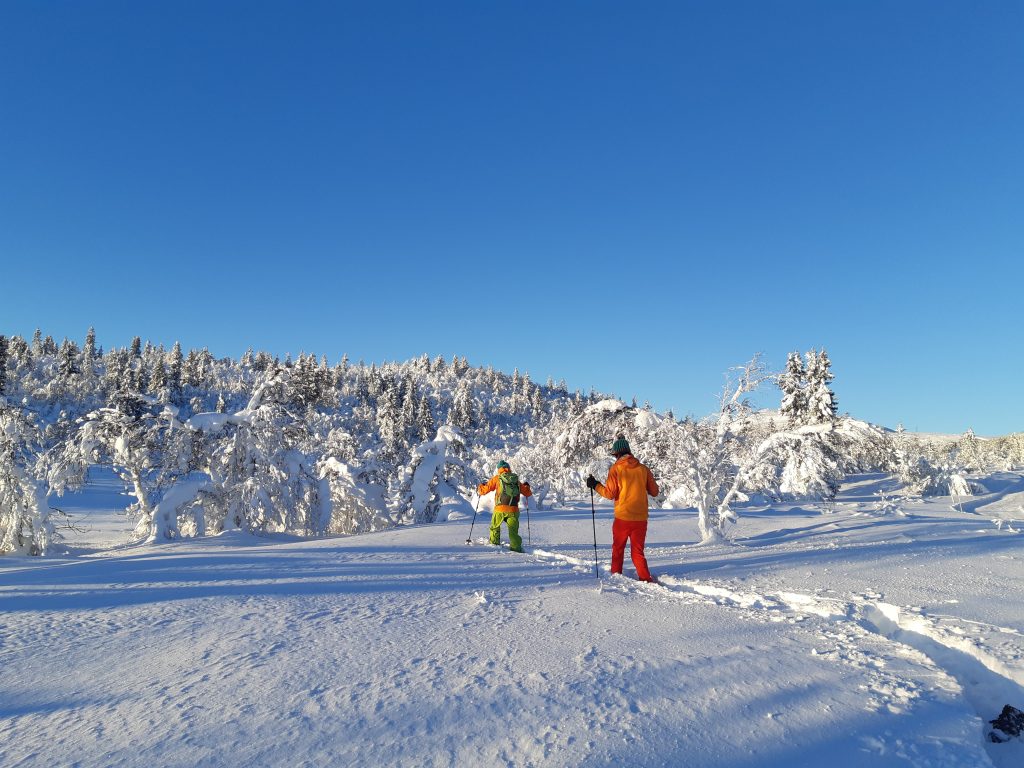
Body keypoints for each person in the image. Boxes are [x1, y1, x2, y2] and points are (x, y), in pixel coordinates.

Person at [586, 436, 660, 583]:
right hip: (640, 519)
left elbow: (609, 494)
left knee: (618, 550)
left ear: (618, 454)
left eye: (615, 455)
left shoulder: (616, 469)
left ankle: (616, 577)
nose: (614, 458)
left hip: (622, 519)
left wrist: (595, 484)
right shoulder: (643, 469)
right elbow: (655, 492)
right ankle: (645, 579)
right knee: (637, 553)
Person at [478, 460, 532, 552]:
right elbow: (527, 493)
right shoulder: (516, 480)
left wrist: (480, 486)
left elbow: (483, 491)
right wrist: (527, 486)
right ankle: (516, 548)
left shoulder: (497, 478)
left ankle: (494, 544)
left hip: (500, 509)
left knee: (495, 527)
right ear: (509, 468)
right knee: (513, 531)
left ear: (499, 469)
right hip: (513, 510)